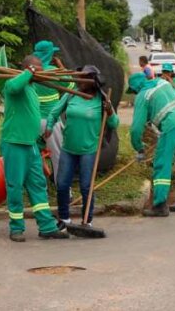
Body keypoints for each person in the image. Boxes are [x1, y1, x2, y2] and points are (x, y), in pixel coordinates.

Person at [1, 54, 69, 242]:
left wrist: (41, 137)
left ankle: (46, 226)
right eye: (38, 69)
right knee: (15, 186)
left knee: (38, 184)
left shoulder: (31, 89)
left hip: (31, 144)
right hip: (14, 143)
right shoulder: (13, 84)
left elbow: (32, 115)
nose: (42, 73)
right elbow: (13, 87)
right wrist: (29, 73)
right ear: (29, 69)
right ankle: (16, 228)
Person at [44, 66, 118, 228]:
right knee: (62, 184)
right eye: (79, 77)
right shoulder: (71, 95)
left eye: (83, 78)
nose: (79, 80)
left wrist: (110, 111)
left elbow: (114, 123)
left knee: (86, 186)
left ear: (93, 81)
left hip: (89, 150)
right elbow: (54, 112)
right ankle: (64, 219)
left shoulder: (101, 99)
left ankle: (87, 221)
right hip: (68, 148)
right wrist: (49, 127)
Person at [128, 72, 175, 217]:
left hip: (172, 127)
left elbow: (136, 129)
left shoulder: (143, 95)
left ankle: (159, 205)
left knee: (162, 164)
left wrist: (139, 148)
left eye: (133, 91)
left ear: (135, 88)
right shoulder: (162, 83)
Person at [32, 40, 69, 184]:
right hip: (50, 121)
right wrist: (61, 67)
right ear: (49, 54)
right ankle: (64, 188)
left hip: (32, 121)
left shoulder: (29, 71)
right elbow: (71, 84)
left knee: (35, 154)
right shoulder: (53, 71)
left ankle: (41, 184)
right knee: (58, 155)